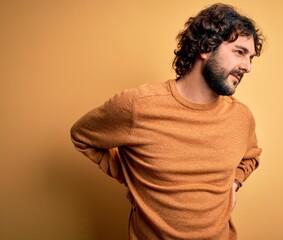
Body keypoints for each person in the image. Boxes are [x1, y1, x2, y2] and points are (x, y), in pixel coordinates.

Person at [71, 3, 264, 240]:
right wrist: (133, 177)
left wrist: (234, 183)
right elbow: (82, 137)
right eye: (239, 52)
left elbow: (251, 155)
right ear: (206, 47)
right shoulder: (138, 106)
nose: (248, 66)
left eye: (251, 57)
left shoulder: (241, 118)